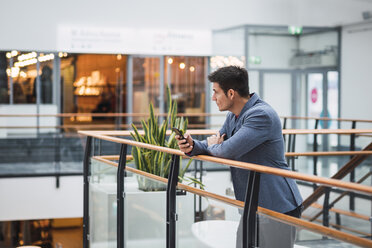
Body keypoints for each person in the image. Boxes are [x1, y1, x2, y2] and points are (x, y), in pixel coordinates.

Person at [176, 66, 303, 247]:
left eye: (215, 92)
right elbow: (217, 145)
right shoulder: (234, 116)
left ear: (231, 93)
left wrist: (217, 145)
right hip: (252, 204)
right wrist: (192, 145)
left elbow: (228, 150)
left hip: (276, 205)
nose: (213, 98)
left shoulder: (260, 115)